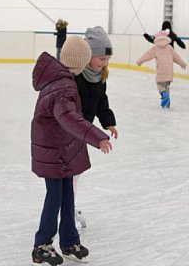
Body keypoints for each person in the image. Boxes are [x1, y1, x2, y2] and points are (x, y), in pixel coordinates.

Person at [30, 36, 112, 265]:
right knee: (55, 198)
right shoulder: (64, 85)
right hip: (55, 151)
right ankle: (42, 245)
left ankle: (68, 241)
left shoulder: (60, 79)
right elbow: (69, 119)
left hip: (61, 149)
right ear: (80, 62)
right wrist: (97, 136)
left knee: (67, 198)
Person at [72, 26, 118, 231]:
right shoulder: (75, 76)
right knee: (71, 172)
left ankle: (68, 206)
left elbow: (101, 101)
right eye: (101, 58)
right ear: (88, 55)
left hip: (83, 131)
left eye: (107, 59)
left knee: (75, 172)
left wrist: (108, 121)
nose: (104, 63)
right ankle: (67, 209)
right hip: (70, 129)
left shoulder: (99, 78)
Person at [136, 29, 187, 108]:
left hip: (161, 70)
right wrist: (182, 64)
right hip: (169, 71)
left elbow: (147, 55)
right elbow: (176, 57)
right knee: (166, 85)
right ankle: (167, 102)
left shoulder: (156, 48)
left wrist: (140, 61)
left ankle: (164, 95)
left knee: (160, 84)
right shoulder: (169, 47)